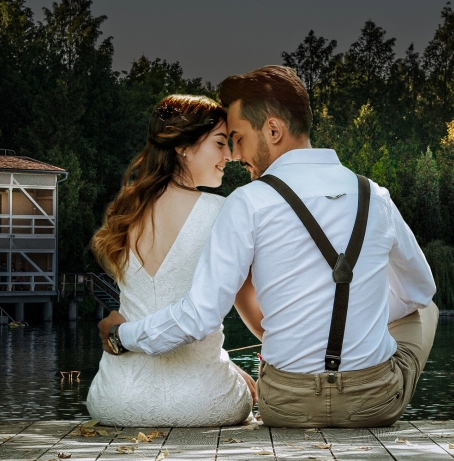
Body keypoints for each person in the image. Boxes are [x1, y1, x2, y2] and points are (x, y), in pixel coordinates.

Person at [99, 66, 438, 428]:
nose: (235, 155)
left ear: (273, 131)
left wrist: (122, 335)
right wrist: (361, 317)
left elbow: (200, 315)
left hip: (285, 405)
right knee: (427, 309)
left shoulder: (247, 202)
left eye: (238, 138)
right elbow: (419, 290)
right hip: (373, 403)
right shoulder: (375, 196)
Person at [86, 94, 254, 427]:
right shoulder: (223, 211)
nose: (230, 156)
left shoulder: (125, 212)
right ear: (183, 147)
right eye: (220, 143)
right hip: (204, 403)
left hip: (116, 401)